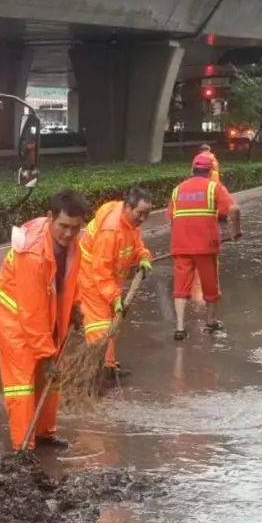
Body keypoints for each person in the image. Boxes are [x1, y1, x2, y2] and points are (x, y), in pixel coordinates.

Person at [0, 189, 89, 450]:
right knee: (23, 381)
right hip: (12, 317)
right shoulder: (32, 254)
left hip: (42, 312)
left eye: (75, 228)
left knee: (51, 376)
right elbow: (32, 314)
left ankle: (44, 433)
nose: (68, 233)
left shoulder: (71, 242)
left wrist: (75, 305)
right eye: (63, 226)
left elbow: (67, 279)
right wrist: (45, 355)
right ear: (50, 217)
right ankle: (23, 447)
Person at [77, 186, 154, 375]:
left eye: (147, 214)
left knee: (113, 322)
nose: (142, 218)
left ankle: (107, 365)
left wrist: (143, 256)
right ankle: (98, 369)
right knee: (100, 326)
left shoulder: (129, 223)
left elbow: (135, 244)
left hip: (108, 278)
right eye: (140, 213)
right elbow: (101, 270)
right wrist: (114, 297)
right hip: (91, 277)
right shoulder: (110, 231)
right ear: (128, 207)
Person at [168, 158, 241, 340]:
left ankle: (179, 328)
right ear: (210, 172)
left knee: (180, 287)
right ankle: (210, 322)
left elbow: (171, 216)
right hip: (205, 247)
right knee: (210, 286)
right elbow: (234, 209)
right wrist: (236, 231)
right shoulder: (214, 187)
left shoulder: (177, 190)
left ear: (191, 169)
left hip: (181, 245)